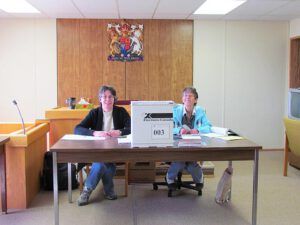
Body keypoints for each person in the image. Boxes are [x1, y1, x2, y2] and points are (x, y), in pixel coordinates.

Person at [75, 85, 131, 206]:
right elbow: (77, 129)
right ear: (100, 99)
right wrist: (95, 133)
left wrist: (120, 131)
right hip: (98, 149)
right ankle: (108, 189)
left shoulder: (121, 111)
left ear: (114, 99)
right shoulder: (94, 113)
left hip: (117, 149)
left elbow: (133, 127)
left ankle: (87, 191)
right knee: (102, 164)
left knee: (101, 163)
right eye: (104, 96)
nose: (107, 99)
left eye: (110, 96)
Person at [166, 87, 212, 191]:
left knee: (191, 164)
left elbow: (208, 127)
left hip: (195, 143)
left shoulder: (200, 111)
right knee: (179, 161)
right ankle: (169, 178)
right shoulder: (175, 110)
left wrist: (198, 131)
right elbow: (167, 127)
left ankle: (199, 180)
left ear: (195, 100)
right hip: (177, 143)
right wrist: (179, 130)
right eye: (185, 96)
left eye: (190, 96)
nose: (187, 98)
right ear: (182, 99)